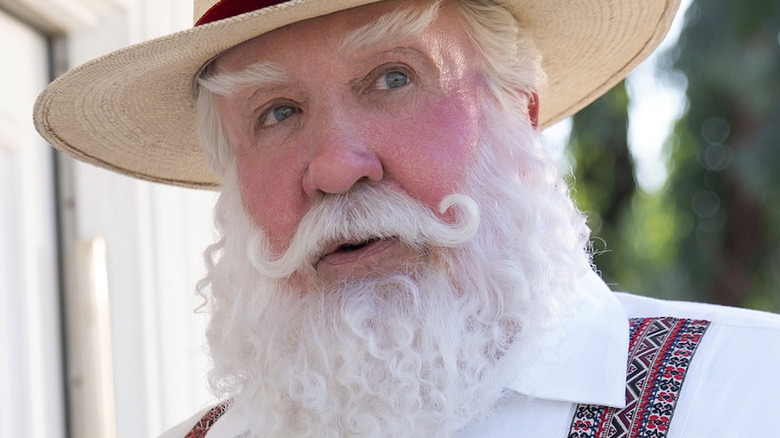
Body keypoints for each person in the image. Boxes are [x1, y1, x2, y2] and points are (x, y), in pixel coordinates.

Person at [34, 0, 780, 437]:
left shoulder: (746, 396)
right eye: (278, 112)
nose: (336, 166)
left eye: (394, 77)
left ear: (517, 112)